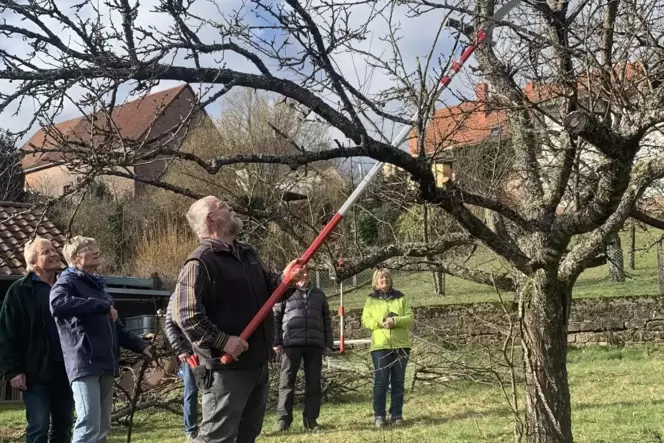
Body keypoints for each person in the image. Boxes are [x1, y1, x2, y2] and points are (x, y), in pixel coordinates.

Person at [171, 195, 305, 443]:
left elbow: (271, 291)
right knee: (217, 438)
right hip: (225, 369)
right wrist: (223, 341)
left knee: (247, 436)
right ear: (211, 219)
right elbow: (186, 315)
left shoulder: (245, 254)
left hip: (256, 362)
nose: (230, 208)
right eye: (223, 206)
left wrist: (288, 279)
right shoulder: (200, 261)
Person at [49, 236, 153, 443]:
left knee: (102, 427)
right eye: (89, 248)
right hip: (84, 363)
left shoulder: (98, 288)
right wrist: (101, 306)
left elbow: (118, 329)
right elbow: (57, 303)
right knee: (88, 424)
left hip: (106, 364)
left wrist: (142, 346)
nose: (96, 250)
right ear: (75, 257)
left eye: (96, 246)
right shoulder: (67, 282)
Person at [0, 237, 74, 443]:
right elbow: (6, 333)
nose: (53, 254)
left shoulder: (68, 286)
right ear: (33, 262)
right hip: (35, 372)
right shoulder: (19, 291)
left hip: (66, 370)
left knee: (64, 426)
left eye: (53, 250)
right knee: (38, 426)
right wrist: (13, 371)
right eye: (45, 252)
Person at [273, 266, 333, 432]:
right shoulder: (285, 293)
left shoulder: (319, 295)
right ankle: (283, 421)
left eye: (307, 271)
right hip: (290, 344)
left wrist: (328, 342)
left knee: (313, 383)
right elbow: (276, 319)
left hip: (314, 344)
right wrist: (276, 341)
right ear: (294, 273)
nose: (304, 275)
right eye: (301, 272)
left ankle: (311, 420)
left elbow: (327, 319)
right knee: (286, 383)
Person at [361, 268, 414, 428]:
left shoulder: (401, 298)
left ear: (390, 279)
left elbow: (410, 318)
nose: (384, 280)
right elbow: (366, 320)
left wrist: (395, 321)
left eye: (386, 277)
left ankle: (397, 414)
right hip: (380, 347)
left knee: (398, 381)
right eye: (380, 278)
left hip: (401, 345)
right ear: (376, 282)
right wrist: (381, 320)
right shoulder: (371, 300)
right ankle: (379, 416)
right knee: (381, 382)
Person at [164, 294, 199, 441]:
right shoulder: (178, 295)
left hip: (211, 351)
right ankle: (191, 430)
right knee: (191, 391)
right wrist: (180, 349)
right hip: (189, 353)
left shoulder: (210, 287)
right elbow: (170, 324)